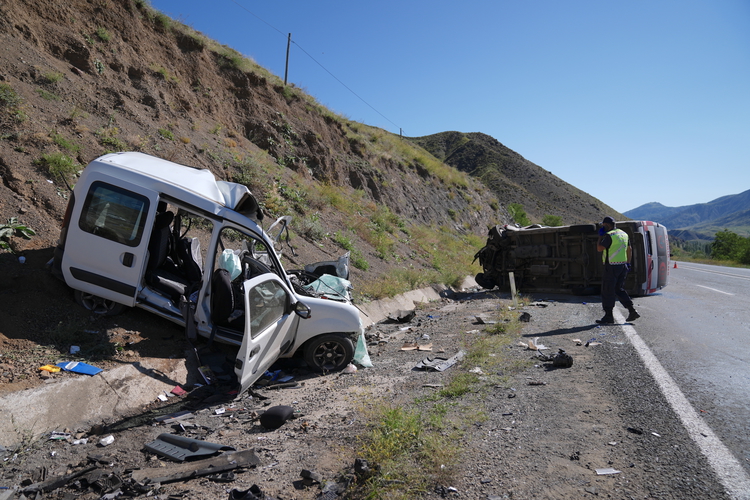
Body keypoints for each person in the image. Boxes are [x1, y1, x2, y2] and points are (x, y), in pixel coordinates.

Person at [596, 216, 640, 324]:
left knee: (607, 290)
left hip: (611, 267)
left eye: (603, 225)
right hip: (622, 266)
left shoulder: (609, 235)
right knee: (618, 289)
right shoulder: (623, 234)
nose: (603, 227)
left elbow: (599, 248)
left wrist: (600, 237)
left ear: (607, 225)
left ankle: (608, 316)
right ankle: (632, 311)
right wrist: (628, 263)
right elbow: (629, 249)